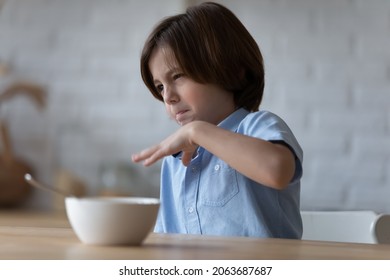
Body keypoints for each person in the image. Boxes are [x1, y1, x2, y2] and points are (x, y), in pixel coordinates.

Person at [132, 2, 303, 239]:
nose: (168, 97)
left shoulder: (258, 127)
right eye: (160, 86)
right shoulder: (174, 161)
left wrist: (197, 132)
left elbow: (277, 170)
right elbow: (167, 240)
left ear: (229, 68)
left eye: (178, 76)